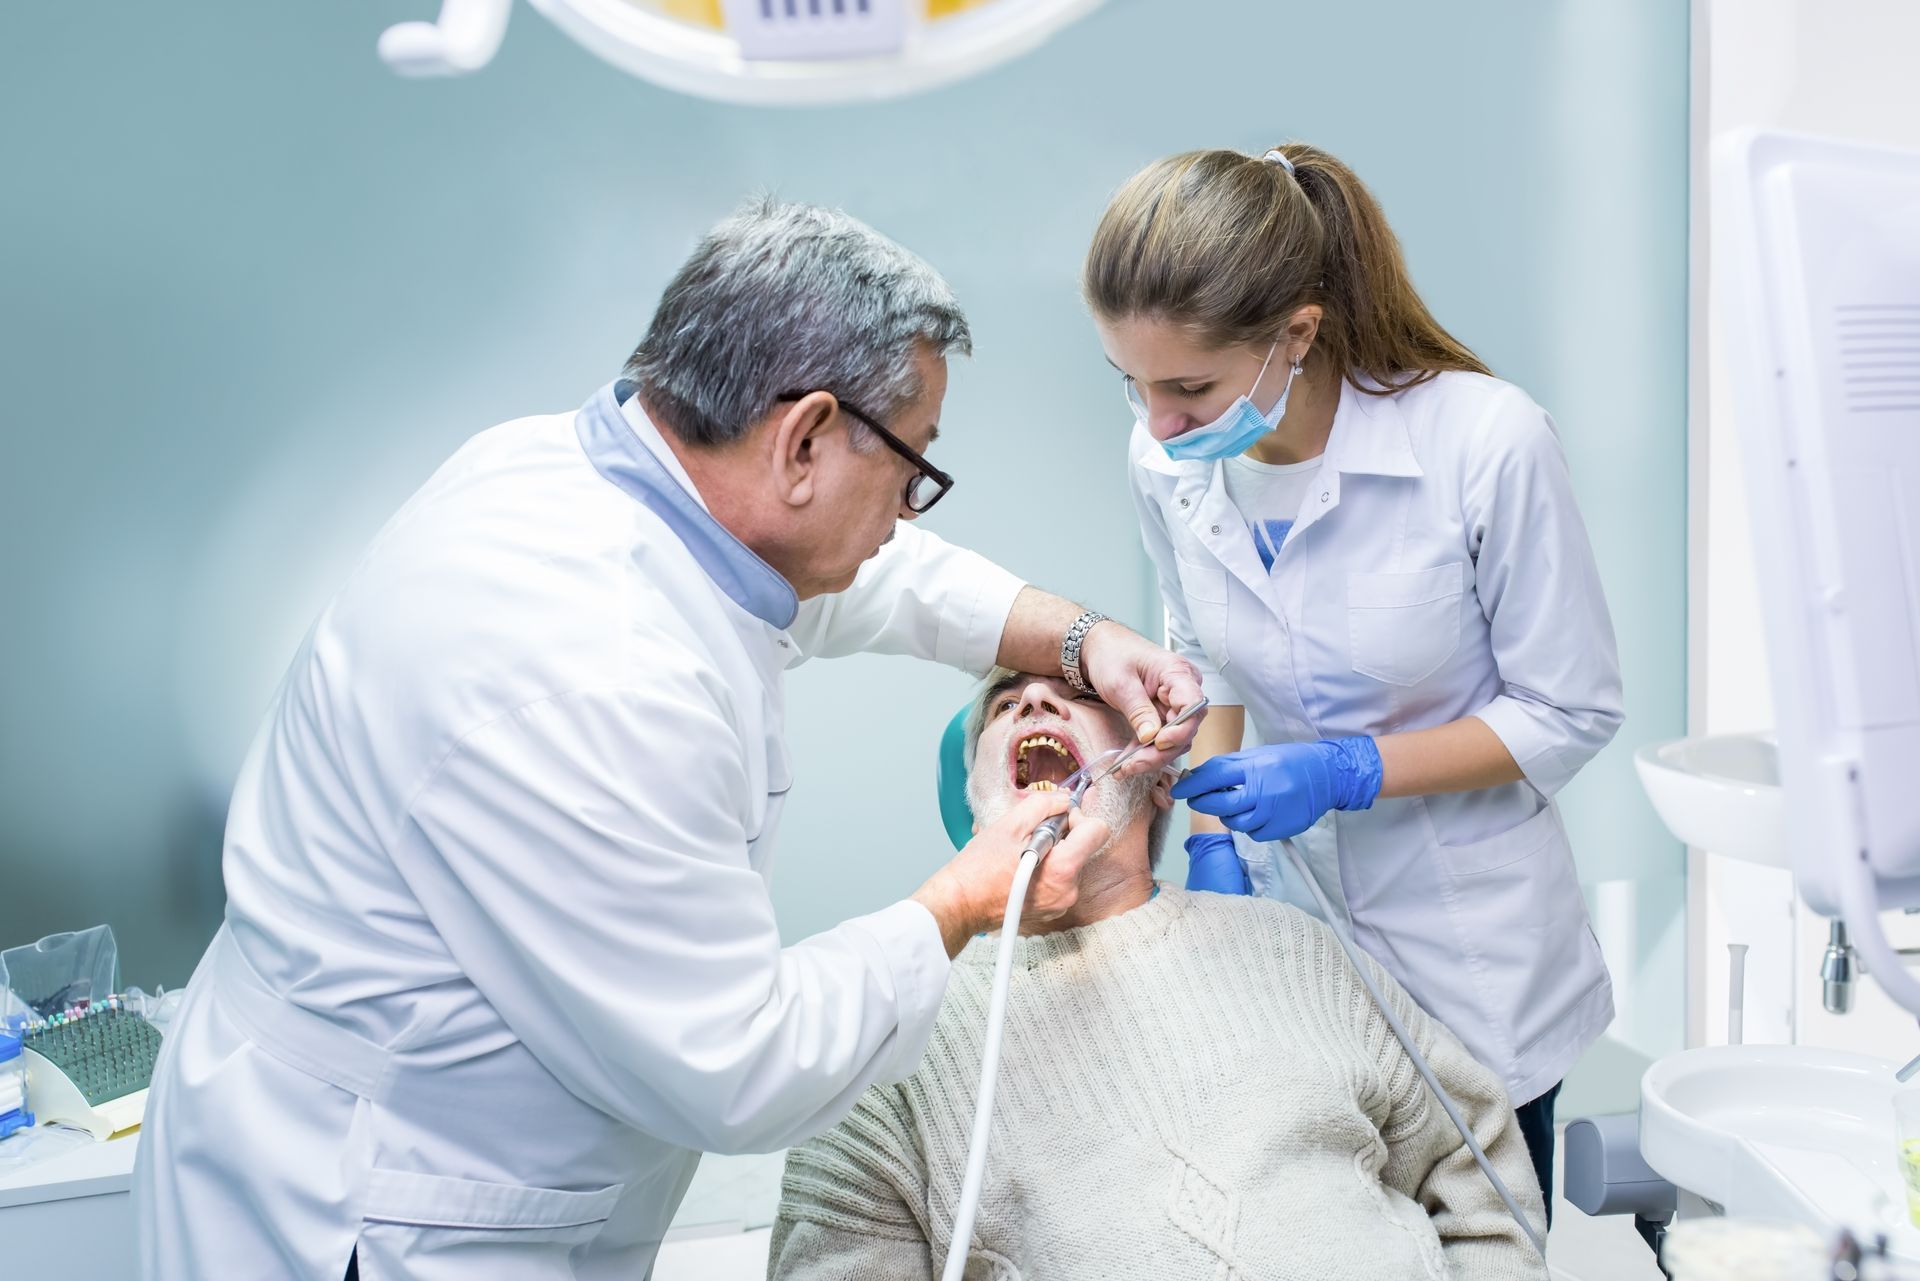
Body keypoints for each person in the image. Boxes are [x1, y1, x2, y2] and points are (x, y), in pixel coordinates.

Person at [132, 198, 1203, 1280]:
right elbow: (738, 1061)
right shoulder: (588, 674)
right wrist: (969, 898)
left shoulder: (597, 479)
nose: (905, 519)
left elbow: (850, 575)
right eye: (912, 471)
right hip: (382, 1207)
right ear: (804, 440)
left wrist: (1081, 639)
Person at [1084, 143, 1625, 1204]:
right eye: (1133, 385)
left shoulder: (1484, 442)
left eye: (1190, 386)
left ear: (1297, 331)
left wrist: (1347, 771)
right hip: (1292, 949)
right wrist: (1209, 837)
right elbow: (1201, 652)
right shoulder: (1167, 459)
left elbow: (1569, 710)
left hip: (1475, 961)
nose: (1158, 425)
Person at [765, 670, 1548, 1281]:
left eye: (1078, 692)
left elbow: (1475, 1166)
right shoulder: (892, 1035)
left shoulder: (1296, 951)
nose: (1034, 697)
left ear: (1157, 773)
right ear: (973, 808)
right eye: (1002, 708)